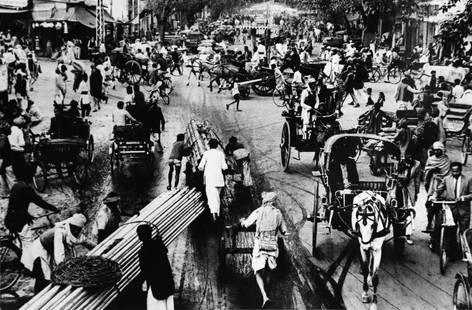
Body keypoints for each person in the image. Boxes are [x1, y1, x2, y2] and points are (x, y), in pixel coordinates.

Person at [240, 191, 289, 308]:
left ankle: (264, 295)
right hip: (272, 246)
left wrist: (242, 221)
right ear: (273, 202)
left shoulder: (258, 211)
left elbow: (246, 224)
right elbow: (284, 230)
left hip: (260, 246)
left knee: (257, 271)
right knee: (270, 268)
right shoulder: (278, 213)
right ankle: (268, 286)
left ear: (264, 201)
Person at [4, 181, 58, 249]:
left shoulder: (17, 185)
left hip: (10, 218)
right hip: (19, 222)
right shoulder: (26, 189)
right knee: (29, 245)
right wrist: (54, 209)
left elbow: (17, 205)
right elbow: (40, 202)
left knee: (20, 241)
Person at [137, 224, 175, 310]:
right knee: (168, 305)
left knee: (156, 306)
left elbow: (144, 271)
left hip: (155, 284)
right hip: (167, 281)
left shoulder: (143, 251)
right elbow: (164, 250)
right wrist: (159, 240)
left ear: (140, 236)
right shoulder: (158, 245)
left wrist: (141, 283)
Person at [433, 162, 472, 235]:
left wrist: (463, 198)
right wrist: (434, 196)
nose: (455, 173)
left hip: (464, 211)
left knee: (464, 232)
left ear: (461, 170)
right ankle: (452, 245)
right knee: (450, 232)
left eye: (457, 171)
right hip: (451, 210)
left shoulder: (468, 179)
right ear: (451, 171)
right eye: (453, 171)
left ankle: (463, 245)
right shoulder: (446, 179)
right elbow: (439, 190)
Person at [198, 139, 228, 221]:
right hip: (219, 179)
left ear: (209, 145)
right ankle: (217, 213)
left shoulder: (206, 153)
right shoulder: (221, 154)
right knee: (217, 198)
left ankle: (214, 214)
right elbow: (225, 167)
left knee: (211, 198)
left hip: (209, 179)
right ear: (217, 145)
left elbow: (200, 167)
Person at [424, 141, 451, 230]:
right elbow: (426, 171)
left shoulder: (446, 160)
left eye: (438, 150)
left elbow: (448, 174)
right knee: (430, 205)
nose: (436, 152)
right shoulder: (431, 159)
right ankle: (429, 223)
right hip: (433, 183)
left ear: (442, 150)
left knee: (445, 205)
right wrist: (431, 170)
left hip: (444, 185)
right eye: (435, 150)